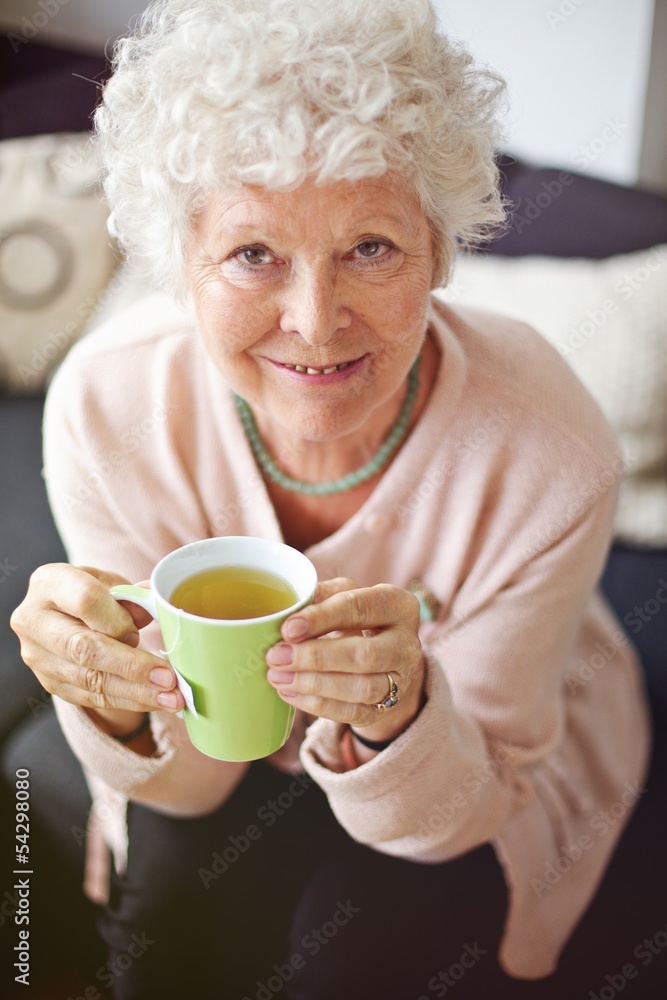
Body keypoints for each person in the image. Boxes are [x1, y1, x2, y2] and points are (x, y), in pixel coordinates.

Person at [10, 1, 650, 997]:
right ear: (179, 260)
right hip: (225, 760)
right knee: (170, 910)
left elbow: (458, 814)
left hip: (478, 756)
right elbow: (190, 781)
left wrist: (399, 717)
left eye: (370, 249)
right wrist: (112, 705)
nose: (315, 323)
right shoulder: (107, 405)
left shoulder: (551, 449)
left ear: (440, 249)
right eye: (253, 253)